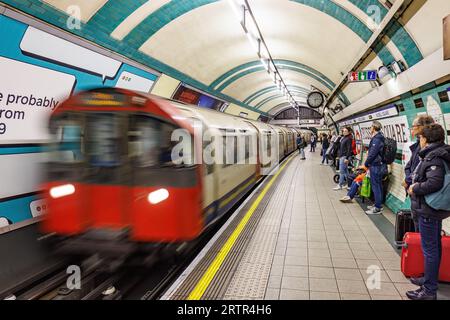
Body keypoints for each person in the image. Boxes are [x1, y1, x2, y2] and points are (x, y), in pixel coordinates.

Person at [405, 123, 450, 300]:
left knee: (430, 249)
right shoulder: (439, 154)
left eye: (421, 138)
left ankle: (429, 290)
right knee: (434, 246)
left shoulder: (434, 158)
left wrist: (415, 187)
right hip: (434, 208)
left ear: (426, 139)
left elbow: (434, 183)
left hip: (429, 208)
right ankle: (429, 279)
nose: (420, 141)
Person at [403, 115, 435, 231]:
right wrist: (408, 178)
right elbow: (409, 165)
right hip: (415, 192)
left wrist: (409, 181)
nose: (412, 129)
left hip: (421, 194)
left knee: (423, 228)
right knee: (417, 223)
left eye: (414, 126)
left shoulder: (429, 150)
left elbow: (420, 170)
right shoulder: (417, 145)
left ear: (423, 127)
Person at [363, 121, 387, 215]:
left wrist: (366, 164)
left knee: (376, 186)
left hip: (376, 165)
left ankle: (377, 207)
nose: (370, 128)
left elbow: (372, 153)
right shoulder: (380, 137)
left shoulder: (377, 139)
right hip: (379, 164)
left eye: (371, 127)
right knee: (378, 185)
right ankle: (378, 204)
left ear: (374, 127)